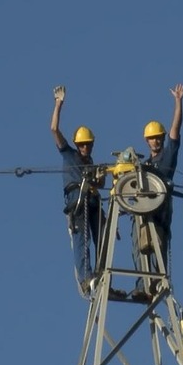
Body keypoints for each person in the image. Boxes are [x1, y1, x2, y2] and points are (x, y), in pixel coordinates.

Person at [50, 84, 104, 295]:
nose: (85, 148)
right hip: (77, 201)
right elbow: (54, 129)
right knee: (83, 241)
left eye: (87, 144)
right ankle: (86, 277)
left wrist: (99, 178)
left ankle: (100, 274)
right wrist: (58, 104)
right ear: (76, 144)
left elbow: (100, 186)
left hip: (92, 201)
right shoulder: (69, 155)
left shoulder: (91, 164)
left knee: (103, 237)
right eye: (82, 144)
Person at [134, 83, 183, 283]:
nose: (155, 141)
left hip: (160, 211)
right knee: (139, 242)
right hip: (144, 212)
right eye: (152, 138)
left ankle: (159, 278)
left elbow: (175, 129)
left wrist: (178, 103)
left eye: (158, 138)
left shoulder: (168, 156)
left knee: (159, 243)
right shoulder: (144, 165)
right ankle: (143, 283)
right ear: (147, 141)